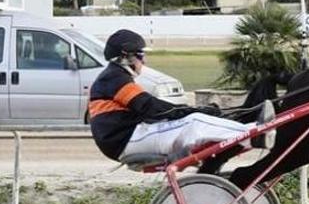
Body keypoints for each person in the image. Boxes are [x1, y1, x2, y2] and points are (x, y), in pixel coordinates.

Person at [88, 29, 274, 171]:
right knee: (194, 122)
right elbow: (150, 107)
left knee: (192, 124)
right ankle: (254, 133)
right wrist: (191, 110)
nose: (144, 61)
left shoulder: (114, 77)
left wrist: (189, 110)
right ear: (125, 56)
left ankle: (248, 135)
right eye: (141, 55)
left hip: (128, 138)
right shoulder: (113, 78)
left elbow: (150, 109)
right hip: (126, 140)